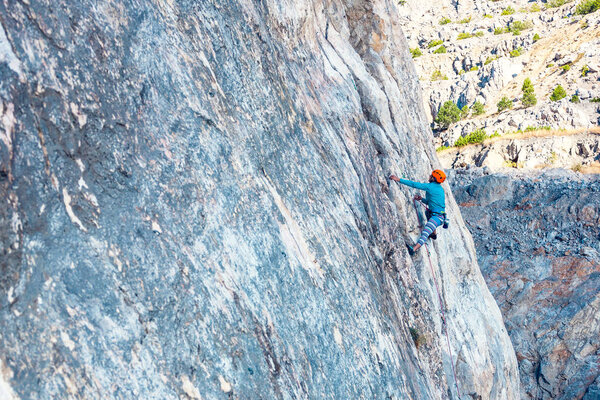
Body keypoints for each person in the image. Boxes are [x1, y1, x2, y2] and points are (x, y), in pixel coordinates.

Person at [389, 170, 447, 255]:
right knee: (428, 213)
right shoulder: (440, 189)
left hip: (437, 217)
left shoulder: (430, 186)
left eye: (431, 175)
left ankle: (414, 249)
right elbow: (430, 202)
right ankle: (433, 234)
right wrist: (421, 199)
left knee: (426, 231)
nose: (429, 176)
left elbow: (414, 184)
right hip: (439, 215)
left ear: (434, 178)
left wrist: (398, 179)